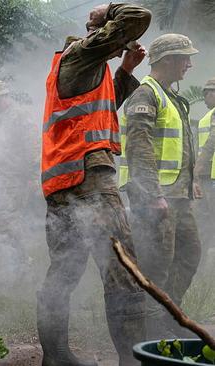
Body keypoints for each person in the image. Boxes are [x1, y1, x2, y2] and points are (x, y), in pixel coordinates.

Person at [39, 3, 150, 366]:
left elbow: (101, 108)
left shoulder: (84, 68)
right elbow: (139, 16)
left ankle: (55, 359)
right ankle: (132, 361)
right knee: (123, 271)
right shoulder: (81, 53)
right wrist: (110, 10)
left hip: (65, 183)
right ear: (101, 33)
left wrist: (125, 71)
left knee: (65, 271)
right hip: (89, 179)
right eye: (118, 37)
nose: (125, 42)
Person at [120, 34, 201, 339]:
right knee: (157, 270)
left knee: (190, 253)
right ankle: (153, 338)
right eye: (184, 58)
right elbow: (139, 147)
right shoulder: (145, 95)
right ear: (166, 60)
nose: (189, 64)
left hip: (178, 197)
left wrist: (190, 185)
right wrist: (153, 194)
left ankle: (167, 319)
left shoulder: (172, 97)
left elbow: (177, 147)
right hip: (156, 200)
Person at [0, 80, 41, 242]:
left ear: (5, 96)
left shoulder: (20, 116)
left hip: (16, 179)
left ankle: (18, 260)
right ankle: (7, 257)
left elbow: (33, 147)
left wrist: (33, 177)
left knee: (9, 221)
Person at [195, 78, 215, 250]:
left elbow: (211, 142)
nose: (205, 98)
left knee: (208, 218)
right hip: (207, 176)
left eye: (207, 94)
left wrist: (198, 166)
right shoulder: (207, 116)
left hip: (210, 176)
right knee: (204, 219)